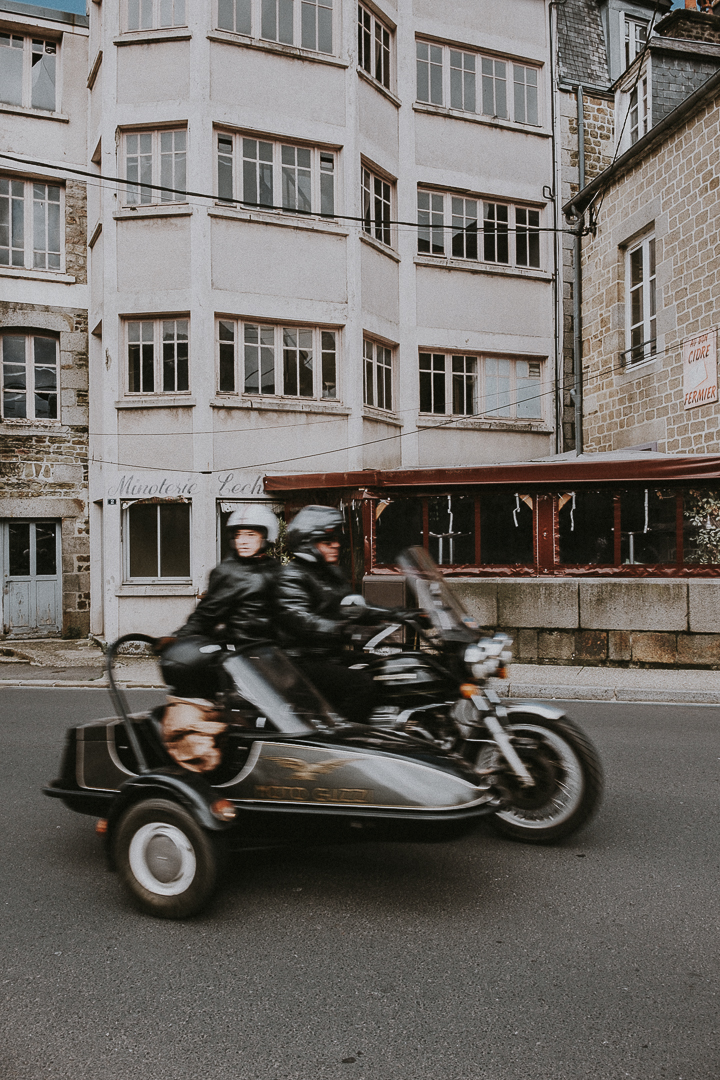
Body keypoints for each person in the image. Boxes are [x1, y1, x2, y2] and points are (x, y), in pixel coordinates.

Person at [159, 503, 280, 700]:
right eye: (239, 535)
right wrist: (177, 640)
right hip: (246, 654)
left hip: (277, 654)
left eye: (250, 535)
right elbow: (206, 614)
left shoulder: (274, 569)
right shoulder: (229, 572)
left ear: (266, 537)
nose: (243, 541)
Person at [274, 504, 381, 724]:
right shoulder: (291, 575)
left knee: (387, 667)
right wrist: (343, 629)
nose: (336, 545)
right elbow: (300, 619)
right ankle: (345, 735)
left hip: (329, 654)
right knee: (361, 685)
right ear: (307, 544)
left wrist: (399, 614)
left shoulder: (331, 573)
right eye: (327, 541)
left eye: (336, 540)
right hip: (301, 660)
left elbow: (351, 605)